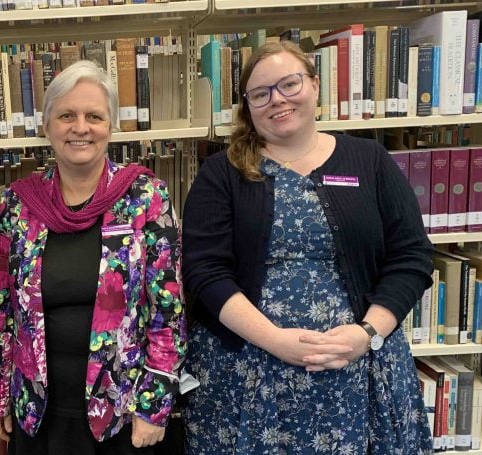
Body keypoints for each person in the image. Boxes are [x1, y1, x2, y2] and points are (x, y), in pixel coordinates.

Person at [181, 40, 434, 454]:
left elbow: (411, 256)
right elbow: (204, 271)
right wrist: (274, 340)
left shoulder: (370, 161)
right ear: (248, 106)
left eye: (289, 84)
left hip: (358, 372)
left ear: (315, 84)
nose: (277, 100)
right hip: (247, 375)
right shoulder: (221, 173)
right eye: (260, 94)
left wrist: (366, 333)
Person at [0, 60, 186, 455]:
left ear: (110, 126)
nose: (80, 127)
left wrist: (154, 405)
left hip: (122, 414)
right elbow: (0, 308)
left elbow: (168, 310)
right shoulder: (18, 205)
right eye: (67, 115)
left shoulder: (146, 198)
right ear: (47, 126)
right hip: (37, 412)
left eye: (94, 116)